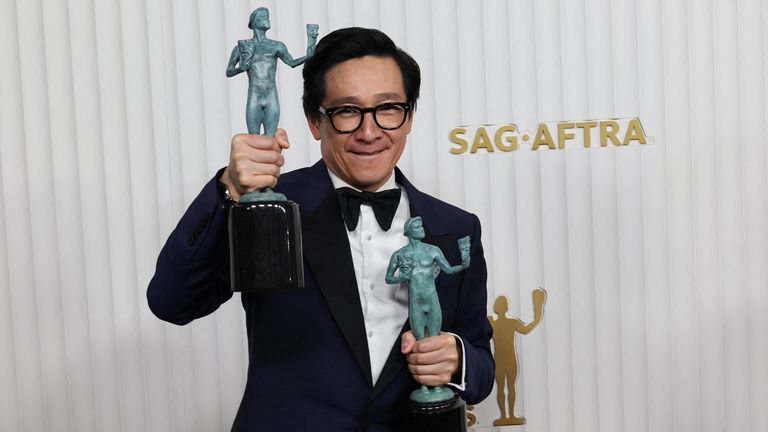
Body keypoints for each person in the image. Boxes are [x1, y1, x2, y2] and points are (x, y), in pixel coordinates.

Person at [148, 27, 493, 431]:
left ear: (409, 116)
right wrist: (228, 188)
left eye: (388, 109)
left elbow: (482, 363)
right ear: (315, 121)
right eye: (347, 111)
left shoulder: (454, 227)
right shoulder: (266, 208)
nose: (369, 132)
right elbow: (172, 301)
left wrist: (457, 358)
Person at [226, 7, 314, 136]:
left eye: (268, 16)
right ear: (254, 22)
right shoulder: (243, 47)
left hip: (271, 96)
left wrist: (309, 52)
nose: (267, 19)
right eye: (263, 17)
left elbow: (292, 63)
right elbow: (229, 71)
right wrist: (241, 68)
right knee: (254, 142)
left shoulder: (276, 46)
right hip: (254, 97)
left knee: (270, 140)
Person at [487, 289, 546, 426]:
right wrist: (537, 315)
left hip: (502, 358)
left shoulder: (495, 323)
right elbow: (526, 328)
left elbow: (525, 330)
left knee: (504, 387)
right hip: (505, 358)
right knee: (509, 387)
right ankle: (508, 415)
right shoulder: (503, 322)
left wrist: (538, 313)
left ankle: (507, 416)